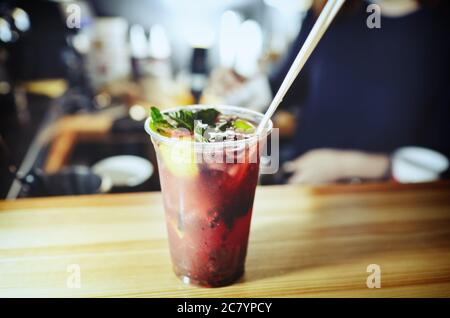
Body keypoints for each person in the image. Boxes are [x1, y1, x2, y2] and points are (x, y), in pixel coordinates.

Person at [208, 0, 450, 184]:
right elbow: (284, 88)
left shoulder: (438, 33)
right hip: (304, 187)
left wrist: (343, 166)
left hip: (386, 203)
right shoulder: (329, 14)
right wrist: (240, 86)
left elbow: (439, 155)